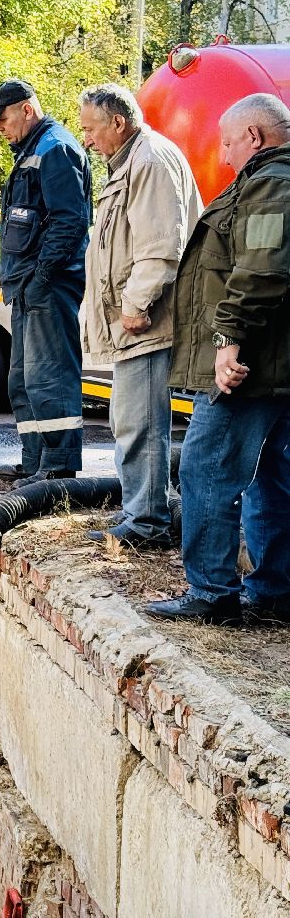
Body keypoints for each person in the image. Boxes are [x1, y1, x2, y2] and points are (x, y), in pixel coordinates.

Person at [148, 93, 290, 625]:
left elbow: (262, 270)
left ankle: (211, 593)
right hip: (274, 364)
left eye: (228, 143)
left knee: (206, 469)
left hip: (251, 365)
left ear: (254, 136)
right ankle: (275, 592)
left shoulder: (272, 185)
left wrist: (228, 339)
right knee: (272, 475)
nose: (224, 156)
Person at [77, 84, 199, 547]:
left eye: (91, 129)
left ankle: (146, 522)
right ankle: (143, 512)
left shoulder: (148, 161)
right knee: (131, 419)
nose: (87, 139)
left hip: (147, 321)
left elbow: (160, 248)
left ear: (118, 122)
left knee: (139, 421)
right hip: (138, 319)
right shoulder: (134, 160)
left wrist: (134, 306)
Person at [0, 79, 94, 486]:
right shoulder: (33, 149)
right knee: (24, 380)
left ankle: (57, 468)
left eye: (2, 118)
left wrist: (43, 277)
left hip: (48, 285)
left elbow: (71, 221)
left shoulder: (55, 149)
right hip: (28, 285)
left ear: (27, 109)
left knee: (50, 377)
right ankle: (34, 461)